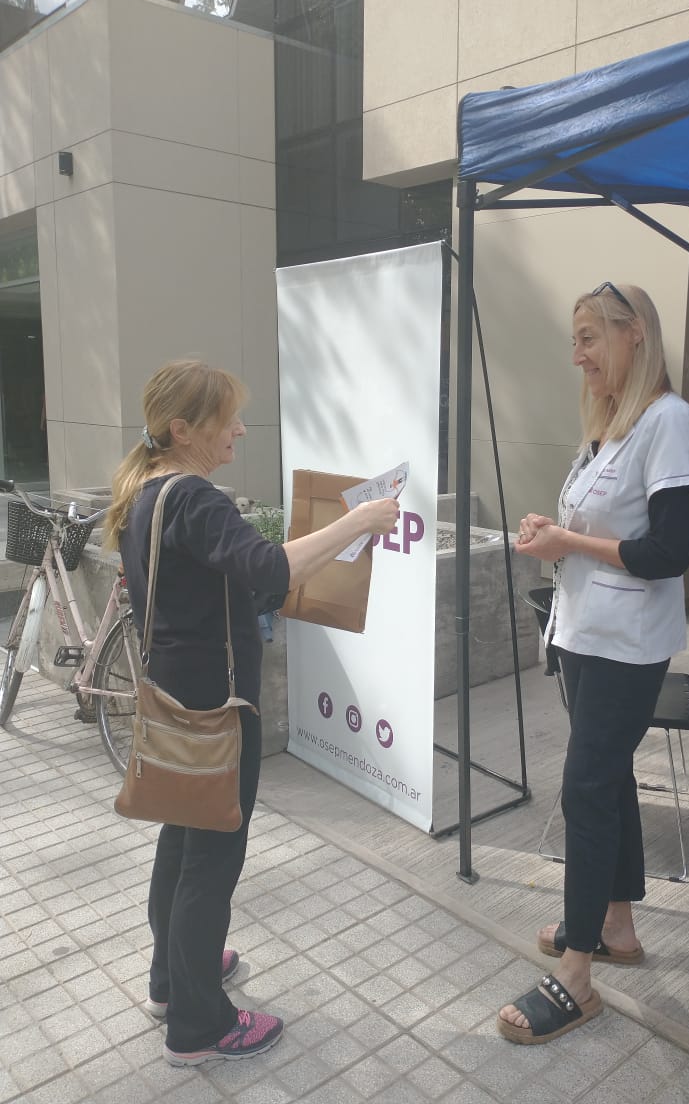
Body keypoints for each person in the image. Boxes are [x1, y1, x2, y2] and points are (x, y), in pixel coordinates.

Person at [104, 360, 399, 1066]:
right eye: (227, 418)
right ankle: (199, 1027)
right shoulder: (195, 498)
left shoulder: (147, 492)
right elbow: (268, 569)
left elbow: (218, 584)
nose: (239, 429)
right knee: (212, 859)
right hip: (219, 703)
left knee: (182, 840)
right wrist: (358, 521)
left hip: (175, 697)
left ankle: (173, 979)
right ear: (183, 429)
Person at [498, 283, 689, 1045]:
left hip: (626, 644)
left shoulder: (670, 421)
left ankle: (578, 976)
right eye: (575, 340)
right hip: (584, 634)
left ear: (634, 334)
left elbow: (670, 551)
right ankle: (615, 927)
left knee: (584, 790)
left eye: (590, 337)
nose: (578, 355)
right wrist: (551, 529)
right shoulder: (611, 429)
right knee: (607, 780)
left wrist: (569, 543)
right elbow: (599, 530)